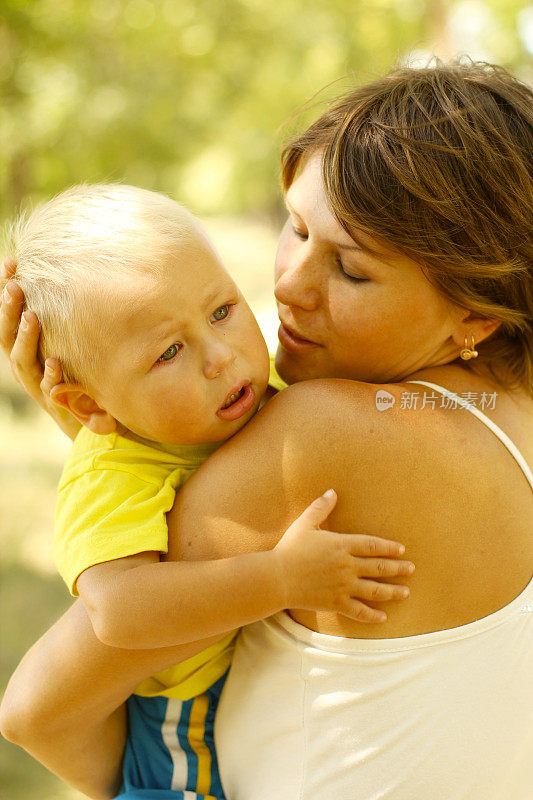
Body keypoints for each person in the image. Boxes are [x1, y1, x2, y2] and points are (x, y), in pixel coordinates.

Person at [1, 59, 532, 799]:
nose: (286, 285)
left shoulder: (320, 435)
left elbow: (36, 712)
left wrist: (116, 433)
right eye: (297, 227)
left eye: (349, 269)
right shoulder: (505, 419)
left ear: (472, 314)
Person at [2, 183, 411, 799]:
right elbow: (118, 609)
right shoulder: (107, 476)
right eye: (169, 351)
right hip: (180, 735)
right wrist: (280, 578)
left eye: (222, 310)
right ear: (89, 403)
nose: (220, 356)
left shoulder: (242, 387)